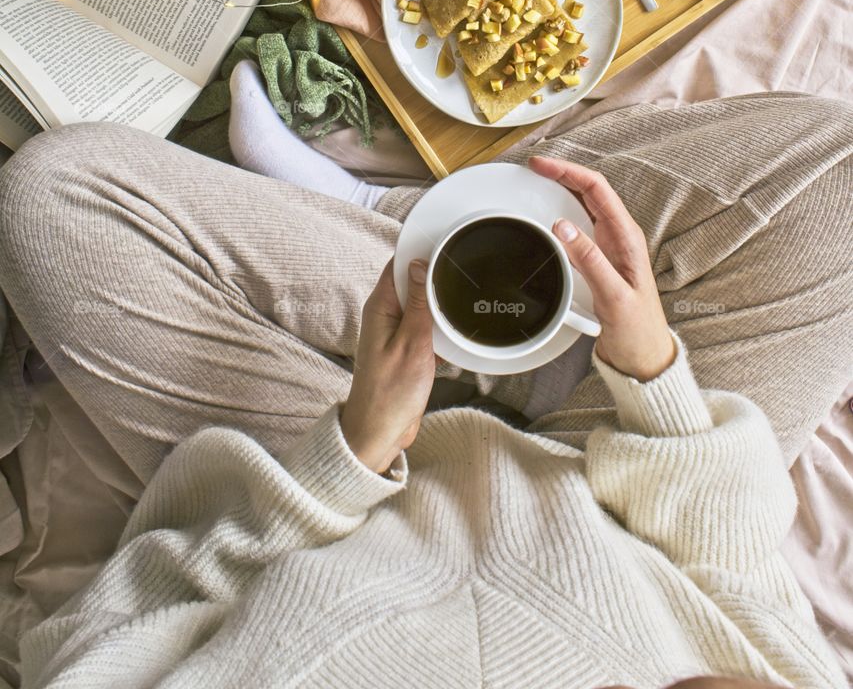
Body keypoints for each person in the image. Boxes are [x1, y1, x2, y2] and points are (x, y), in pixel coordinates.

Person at [0, 91, 849, 688]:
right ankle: (441, 260)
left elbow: (103, 644)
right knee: (835, 176)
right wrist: (653, 379)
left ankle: (445, 271)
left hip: (329, 498)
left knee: (53, 196)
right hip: (611, 494)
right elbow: (729, 569)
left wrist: (346, 455)